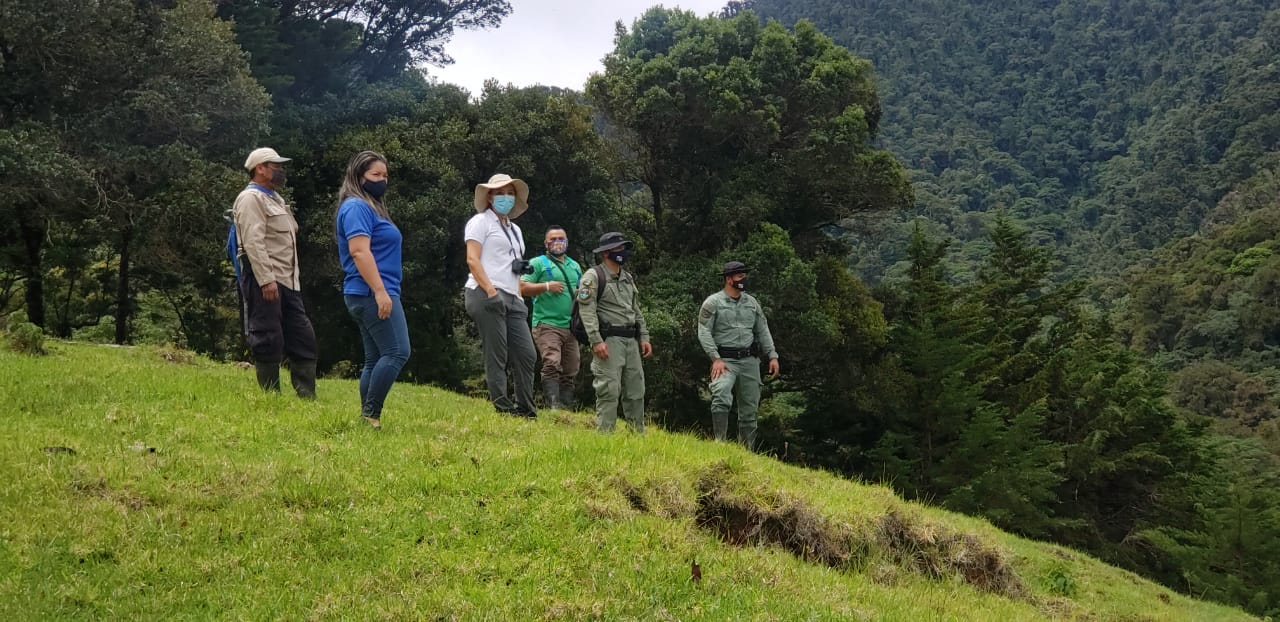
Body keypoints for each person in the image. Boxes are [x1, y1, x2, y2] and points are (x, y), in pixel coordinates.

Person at [231, 147, 318, 398]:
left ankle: (307, 396)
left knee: (303, 336)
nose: (281, 171)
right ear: (260, 168)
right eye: (276, 166)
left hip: (289, 281)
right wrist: (266, 280)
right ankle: (271, 396)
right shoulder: (250, 199)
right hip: (265, 280)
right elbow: (252, 242)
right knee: (268, 336)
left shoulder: (276, 199)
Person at [335, 151, 409, 430]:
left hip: (364, 291)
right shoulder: (356, 207)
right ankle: (371, 415)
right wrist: (380, 292)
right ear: (358, 176)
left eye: (385, 176)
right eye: (375, 175)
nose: (382, 180)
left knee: (375, 357)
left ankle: (366, 418)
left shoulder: (369, 207)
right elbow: (359, 251)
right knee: (398, 351)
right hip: (370, 291)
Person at [464, 173, 538, 418]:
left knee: (527, 354)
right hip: (485, 292)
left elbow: (509, 261)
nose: (505, 197)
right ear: (489, 196)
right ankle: (503, 408)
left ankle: (526, 408)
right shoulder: (480, 222)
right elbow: (472, 259)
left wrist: (519, 288)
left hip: (513, 295)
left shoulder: (515, 229)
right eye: (500, 193)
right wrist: (491, 290)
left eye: (510, 193)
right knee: (497, 353)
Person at [696, 261, 780, 450]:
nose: (744, 280)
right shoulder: (713, 302)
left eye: (745, 276)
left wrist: (772, 355)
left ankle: (747, 450)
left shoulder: (752, 303)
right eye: (740, 276)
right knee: (721, 394)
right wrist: (715, 358)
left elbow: (763, 330)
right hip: (725, 360)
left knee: (750, 408)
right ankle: (720, 442)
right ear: (728, 279)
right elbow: (703, 331)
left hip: (750, 360)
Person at [578, 232, 652, 433]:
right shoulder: (593, 276)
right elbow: (587, 310)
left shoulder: (627, 278)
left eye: (624, 248)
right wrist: (596, 340)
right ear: (606, 253)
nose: (623, 252)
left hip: (630, 341)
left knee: (636, 390)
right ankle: (605, 436)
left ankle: (637, 435)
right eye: (618, 249)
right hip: (609, 340)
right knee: (609, 390)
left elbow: (635, 309)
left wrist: (644, 336)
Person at [518, 226, 584, 409]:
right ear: (546, 243)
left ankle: (566, 408)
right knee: (552, 362)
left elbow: (581, 291)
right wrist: (547, 286)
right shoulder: (538, 263)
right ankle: (553, 405)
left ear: (567, 241)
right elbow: (522, 287)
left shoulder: (575, 265)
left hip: (570, 326)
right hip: (546, 324)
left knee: (571, 368)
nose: (557, 242)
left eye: (561, 239)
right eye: (553, 239)